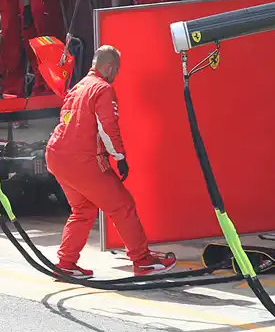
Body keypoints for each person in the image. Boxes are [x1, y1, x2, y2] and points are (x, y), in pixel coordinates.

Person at [46, 45, 177, 278]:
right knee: (122, 206)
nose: (116, 76)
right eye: (116, 70)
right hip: (83, 160)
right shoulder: (102, 89)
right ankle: (142, 260)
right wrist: (120, 157)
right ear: (108, 67)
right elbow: (108, 127)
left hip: (57, 156)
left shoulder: (77, 87)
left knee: (83, 210)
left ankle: (66, 262)